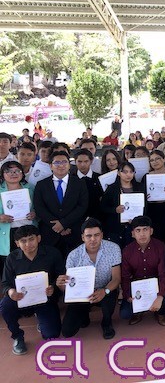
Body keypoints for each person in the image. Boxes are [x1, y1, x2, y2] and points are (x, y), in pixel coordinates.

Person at [0, 225, 63, 355]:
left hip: (45, 300)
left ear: (38, 238)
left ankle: (41, 318)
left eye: (31, 239)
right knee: (5, 305)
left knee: (51, 335)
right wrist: (11, 292)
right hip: (21, 299)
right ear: (17, 243)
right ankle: (17, 336)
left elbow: (61, 276)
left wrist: (53, 287)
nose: (28, 244)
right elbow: (6, 283)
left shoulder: (53, 253)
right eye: (23, 241)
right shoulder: (11, 258)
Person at [58, 218, 121, 339]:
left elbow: (116, 278)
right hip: (82, 293)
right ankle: (84, 314)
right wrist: (61, 285)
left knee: (110, 295)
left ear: (102, 235)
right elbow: (68, 288)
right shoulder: (73, 256)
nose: (93, 239)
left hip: (105, 288)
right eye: (88, 236)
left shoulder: (113, 248)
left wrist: (104, 291)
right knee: (67, 331)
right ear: (83, 237)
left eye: (96, 235)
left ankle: (107, 322)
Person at [33, 151, 88, 259]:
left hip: (73, 232)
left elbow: (82, 206)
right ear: (50, 166)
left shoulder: (79, 183)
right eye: (57, 162)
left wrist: (64, 223)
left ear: (69, 165)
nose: (61, 165)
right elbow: (39, 208)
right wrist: (56, 226)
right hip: (50, 233)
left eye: (64, 162)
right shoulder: (41, 185)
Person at [120, 216, 165, 326]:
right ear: (132, 234)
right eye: (138, 230)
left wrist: (160, 296)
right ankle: (138, 312)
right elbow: (125, 276)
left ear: (151, 231)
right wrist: (127, 295)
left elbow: (163, 274)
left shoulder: (160, 246)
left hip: (156, 285)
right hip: (137, 288)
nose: (142, 234)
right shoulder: (127, 251)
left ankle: (161, 313)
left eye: (145, 229)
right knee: (125, 313)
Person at [100, 162, 143, 248]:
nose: (128, 175)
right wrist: (115, 210)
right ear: (119, 173)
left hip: (135, 227)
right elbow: (103, 207)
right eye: (125, 172)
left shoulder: (139, 187)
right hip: (116, 228)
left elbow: (144, 207)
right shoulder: (112, 188)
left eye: (131, 172)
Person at [143, 150, 165, 242]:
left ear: (164, 159)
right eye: (152, 160)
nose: (155, 162)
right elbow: (141, 196)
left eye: (157, 158)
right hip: (151, 211)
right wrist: (145, 197)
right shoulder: (146, 176)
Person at [72, 149, 103, 221]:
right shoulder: (70, 179)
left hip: (97, 219)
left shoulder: (99, 178)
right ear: (75, 162)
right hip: (75, 220)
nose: (83, 164)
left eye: (86, 161)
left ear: (91, 161)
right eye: (79, 161)